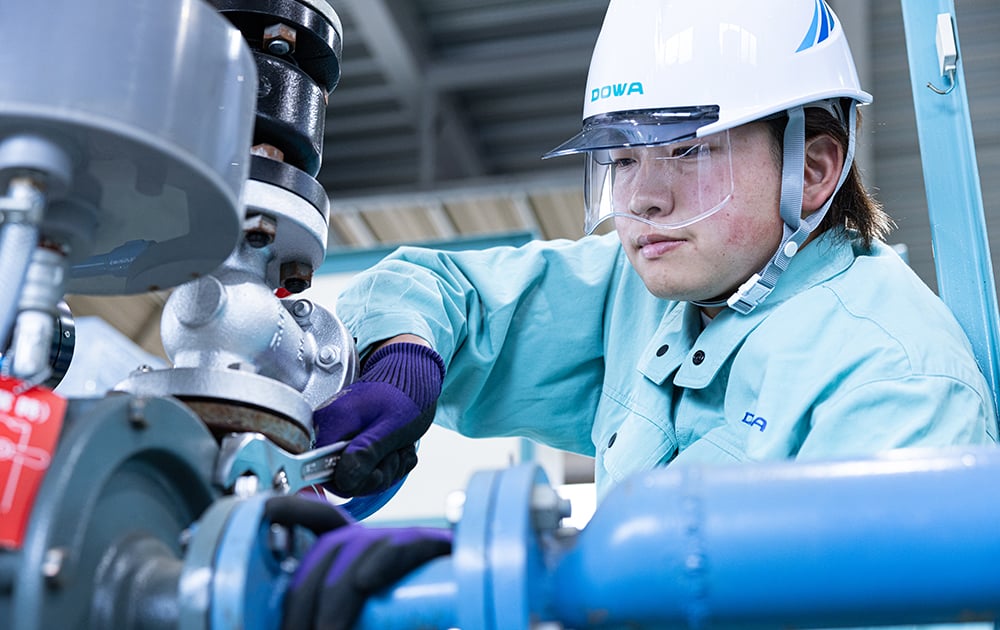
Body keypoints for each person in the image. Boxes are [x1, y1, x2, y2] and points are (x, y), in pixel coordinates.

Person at [283, 1, 998, 627]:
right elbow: (438, 287)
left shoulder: (893, 383)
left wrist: (515, 593)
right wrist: (404, 359)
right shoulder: (660, 286)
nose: (644, 198)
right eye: (622, 159)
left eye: (690, 150)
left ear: (810, 172)